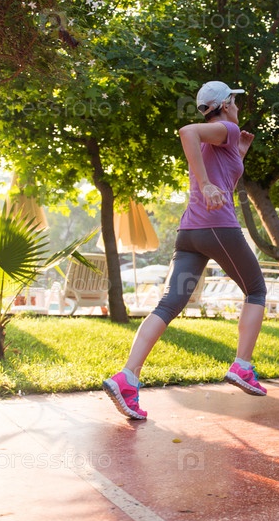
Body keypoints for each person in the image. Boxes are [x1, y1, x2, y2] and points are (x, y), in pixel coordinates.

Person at [103, 81, 268, 420]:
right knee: (256, 290)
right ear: (225, 104)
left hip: (190, 232)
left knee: (168, 304)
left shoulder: (219, 139)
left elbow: (224, 181)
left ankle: (127, 377)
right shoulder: (224, 128)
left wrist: (239, 154)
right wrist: (206, 184)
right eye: (235, 101)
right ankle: (242, 365)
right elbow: (186, 131)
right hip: (217, 227)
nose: (239, 107)